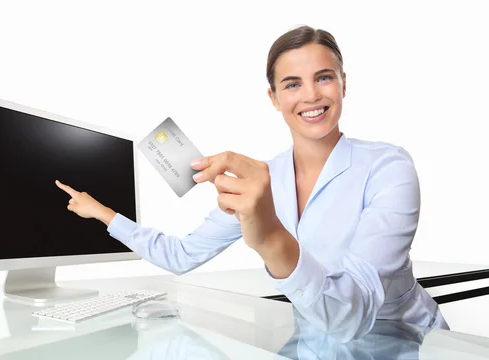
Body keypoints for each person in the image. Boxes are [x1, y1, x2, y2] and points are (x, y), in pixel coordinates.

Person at [54, 25, 449, 343]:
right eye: (292, 84)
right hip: (314, 345)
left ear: (343, 83)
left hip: (406, 345)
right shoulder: (261, 182)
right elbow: (180, 256)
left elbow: (352, 319)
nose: (311, 95)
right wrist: (103, 213)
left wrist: (270, 236)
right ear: (274, 98)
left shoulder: (388, 167)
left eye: (324, 78)